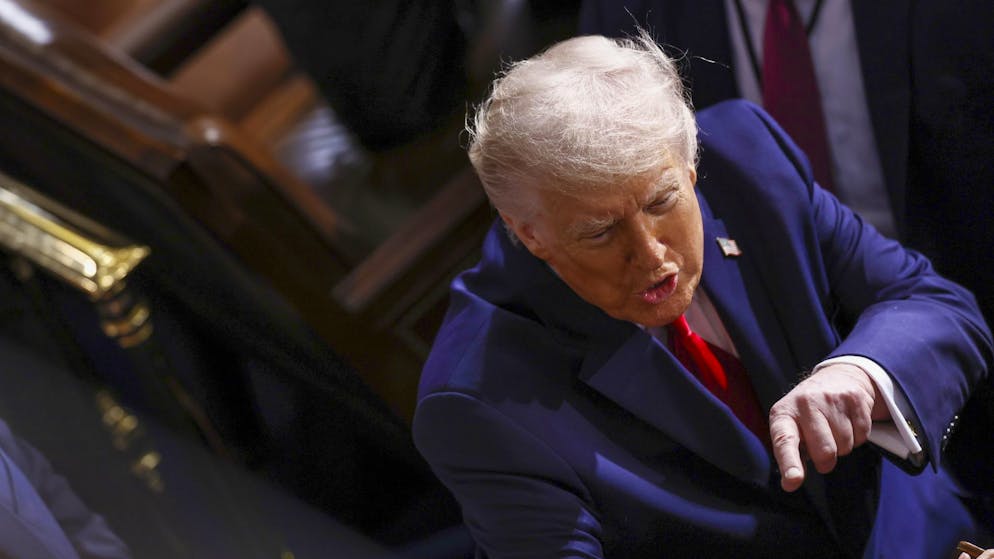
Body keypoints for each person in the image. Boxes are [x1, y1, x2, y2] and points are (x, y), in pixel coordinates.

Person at [412, 32, 992, 557]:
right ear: (528, 233)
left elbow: (936, 306)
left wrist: (861, 373)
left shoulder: (749, 159)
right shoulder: (473, 400)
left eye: (662, 202)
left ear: (690, 167)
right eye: (600, 232)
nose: (651, 255)